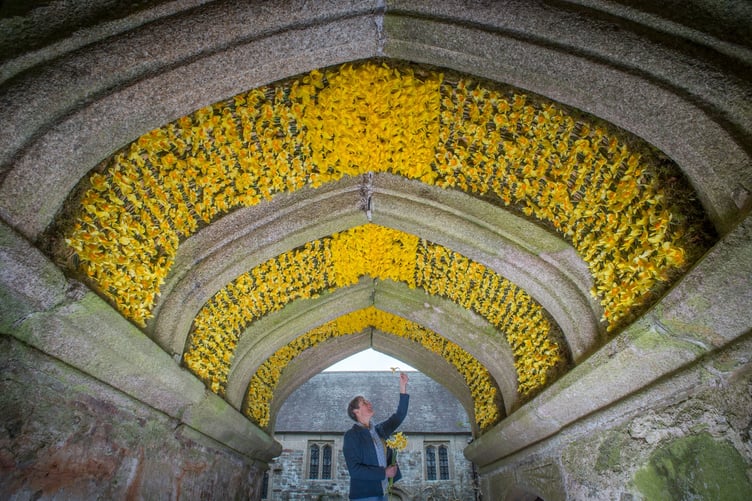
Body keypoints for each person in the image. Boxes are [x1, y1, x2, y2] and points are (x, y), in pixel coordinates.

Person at [343, 372, 409, 501]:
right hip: (364, 496)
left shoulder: (380, 430)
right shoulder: (351, 436)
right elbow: (355, 470)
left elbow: (399, 416)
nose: (369, 403)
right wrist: (384, 473)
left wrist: (403, 386)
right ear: (356, 411)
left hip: (383, 492)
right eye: (364, 403)